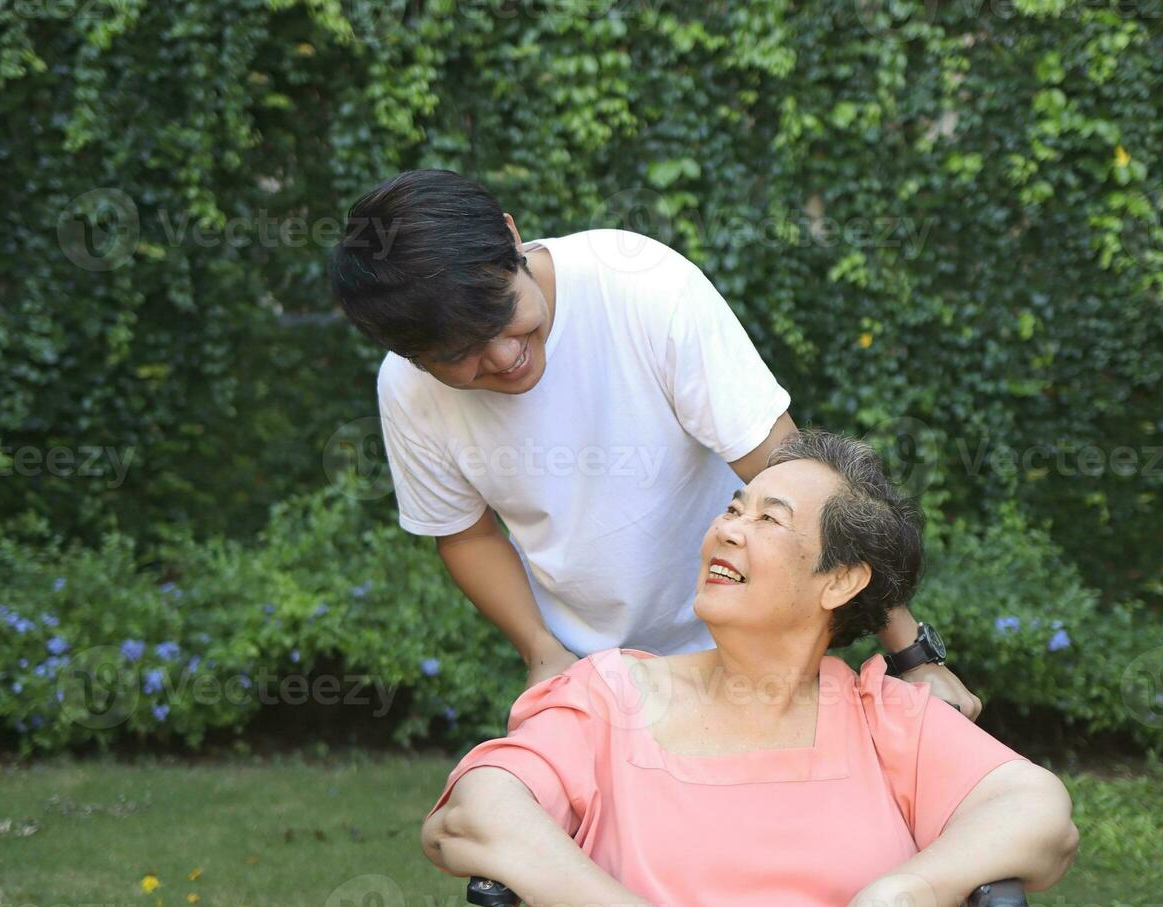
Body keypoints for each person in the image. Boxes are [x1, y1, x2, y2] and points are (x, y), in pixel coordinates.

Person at [420, 430, 1078, 907]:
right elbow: (476, 815)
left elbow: (1038, 815)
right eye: (733, 510)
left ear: (840, 580)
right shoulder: (607, 698)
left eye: (768, 520)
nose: (729, 531)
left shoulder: (886, 719)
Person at [328, 169, 980, 716]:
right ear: (409, 357)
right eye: (460, 355)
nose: (504, 358)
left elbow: (799, 484)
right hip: (601, 679)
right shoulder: (408, 391)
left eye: (504, 316)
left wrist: (910, 653)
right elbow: (467, 534)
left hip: (759, 647)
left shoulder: (639, 288)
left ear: (510, 236)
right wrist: (542, 653)